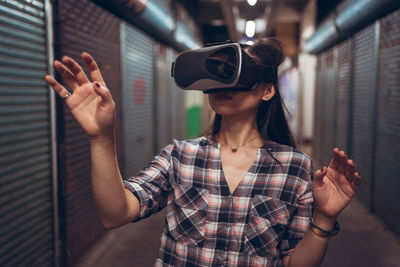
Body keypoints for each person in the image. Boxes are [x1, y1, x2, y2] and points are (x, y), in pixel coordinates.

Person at [44, 38, 361, 267]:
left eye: (237, 72)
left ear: (267, 89)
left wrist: (324, 217)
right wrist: (101, 137)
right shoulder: (181, 155)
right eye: (218, 71)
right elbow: (116, 213)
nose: (224, 82)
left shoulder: (295, 168)